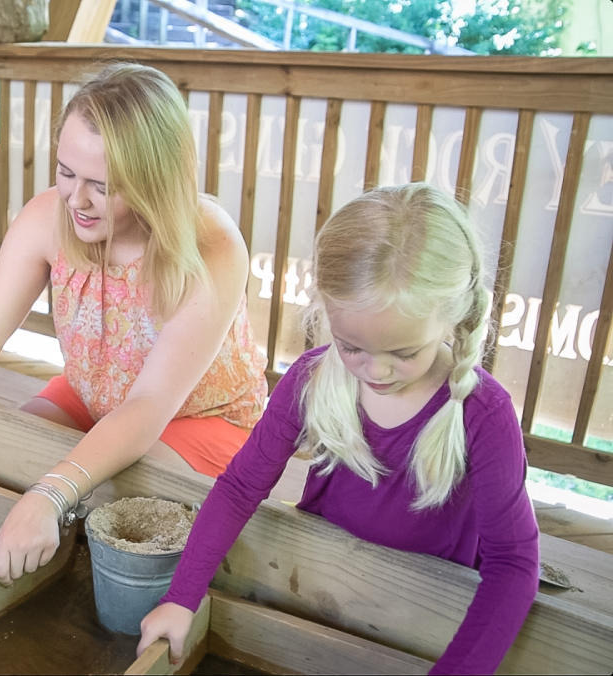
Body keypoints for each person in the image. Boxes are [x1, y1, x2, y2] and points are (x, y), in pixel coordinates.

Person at [0, 63, 268, 585]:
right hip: (95, 388)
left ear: (155, 180)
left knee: (123, 493)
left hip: (201, 412)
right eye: (66, 172)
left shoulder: (211, 245)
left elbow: (150, 404)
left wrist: (50, 493)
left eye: (102, 185)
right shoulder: (50, 215)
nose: (76, 199)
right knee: (10, 452)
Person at [137, 183, 539, 675]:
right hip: (321, 582)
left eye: (405, 353)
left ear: (452, 319)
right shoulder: (311, 381)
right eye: (352, 347)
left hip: (431, 611)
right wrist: (183, 598)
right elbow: (241, 487)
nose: (377, 372)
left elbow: (514, 564)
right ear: (326, 310)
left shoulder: (483, 413)